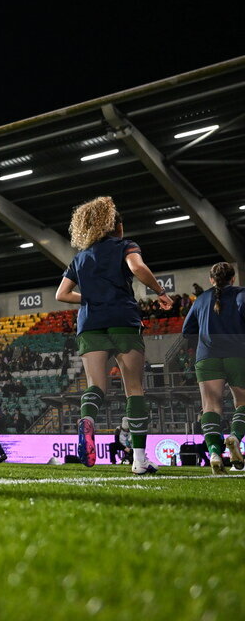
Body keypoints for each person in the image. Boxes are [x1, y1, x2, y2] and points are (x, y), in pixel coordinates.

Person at [55, 196, 171, 475]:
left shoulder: (80, 257)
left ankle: (87, 420)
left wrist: (92, 297)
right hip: (122, 320)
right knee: (134, 388)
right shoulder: (125, 245)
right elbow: (138, 268)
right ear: (116, 225)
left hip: (90, 323)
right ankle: (139, 461)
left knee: (96, 386)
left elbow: (61, 294)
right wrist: (161, 292)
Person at [181, 261, 245, 473]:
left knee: (210, 407)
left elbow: (187, 330)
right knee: (242, 402)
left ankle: (215, 452)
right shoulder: (241, 294)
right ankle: (235, 437)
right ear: (233, 278)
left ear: (211, 279)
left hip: (207, 356)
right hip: (238, 354)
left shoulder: (201, 299)